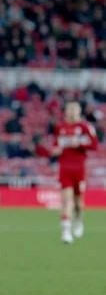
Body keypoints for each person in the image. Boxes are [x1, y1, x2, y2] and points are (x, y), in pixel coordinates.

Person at [51, 100, 98, 243]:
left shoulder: (85, 127)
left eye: (74, 109)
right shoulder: (60, 127)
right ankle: (66, 232)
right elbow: (55, 146)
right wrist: (55, 151)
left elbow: (94, 145)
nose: (71, 112)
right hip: (64, 168)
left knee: (78, 202)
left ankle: (78, 218)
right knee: (67, 200)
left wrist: (79, 143)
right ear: (65, 111)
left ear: (79, 112)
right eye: (69, 109)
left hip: (79, 168)